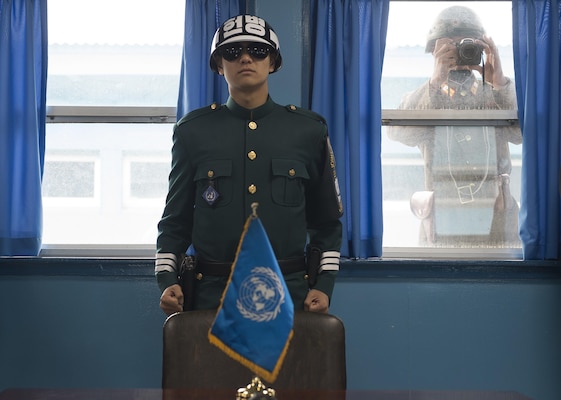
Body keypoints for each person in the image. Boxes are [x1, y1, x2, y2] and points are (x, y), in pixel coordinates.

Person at [155, 15, 343, 315]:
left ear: (273, 62)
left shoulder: (308, 130)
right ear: (218, 65)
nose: (245, 58)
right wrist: (166, 279)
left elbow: (327, 222)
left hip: (288, 293)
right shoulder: (193, 131)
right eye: (232, 52)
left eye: (258, 51)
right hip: (212, 297)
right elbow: (175, 220)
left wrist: (324, 284)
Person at [387, 6, 522, 247]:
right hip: (441, 227)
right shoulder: (426, 99)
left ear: (481, 50)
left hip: (497, 223)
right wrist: (434, 82)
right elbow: (398, 132)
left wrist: (500, 84)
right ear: (434, 52)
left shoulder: (496, 97)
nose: (460, 53)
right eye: (451, 47)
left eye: (467, 46)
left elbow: (524, 134)